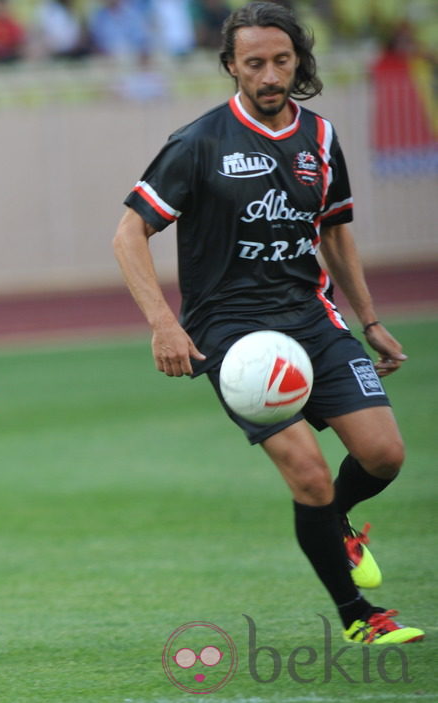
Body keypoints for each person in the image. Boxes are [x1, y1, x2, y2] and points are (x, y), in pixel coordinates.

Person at [112, 2, 424, 645]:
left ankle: (337, 520)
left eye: (282, 60)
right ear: (232, 67)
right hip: (232, 335)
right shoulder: (197, 143)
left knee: (385, 455)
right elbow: (128, 233)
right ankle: (357, 618)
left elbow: (335, 232)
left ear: (298, 61)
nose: (270, 73)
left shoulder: (322, 137)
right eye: (254, 63)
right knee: (308, 474)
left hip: (312, 317)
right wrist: (163, 325)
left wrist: (369, 319)